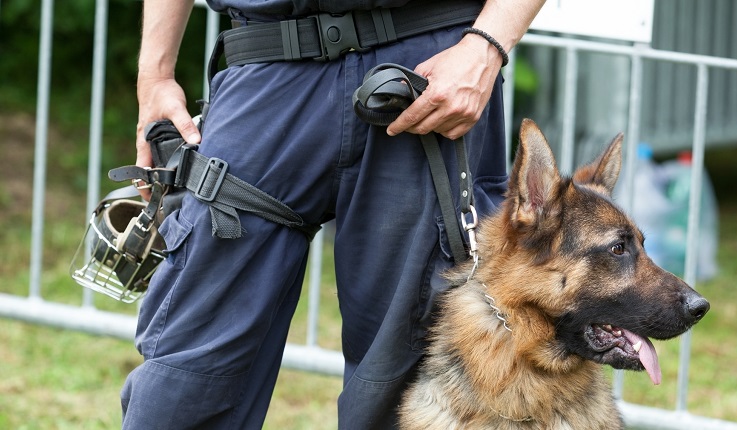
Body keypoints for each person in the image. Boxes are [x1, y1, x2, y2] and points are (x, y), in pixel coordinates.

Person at [121, 0, 546, 428]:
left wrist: (487, 44)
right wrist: (154, 74)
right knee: (183, 377)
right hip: (265, 62)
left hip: (426, 73)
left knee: (411, 382)